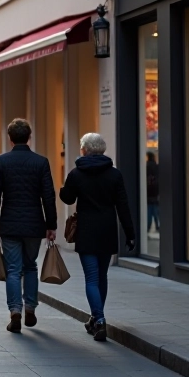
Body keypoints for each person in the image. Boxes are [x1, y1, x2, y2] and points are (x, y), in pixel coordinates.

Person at [60, 133, 136, 342]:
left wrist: (62, 189)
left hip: (86, 230)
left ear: (84, 149)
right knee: (102, 276)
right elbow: (123, 206)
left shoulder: (77, 173)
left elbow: (68, 198)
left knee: (91, 278)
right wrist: (130, 234)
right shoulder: (114, 175)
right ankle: (95, 319)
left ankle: (99, 319)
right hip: (107, 229)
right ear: (102, 149)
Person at [0, 118, 57, 334]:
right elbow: (48, 196)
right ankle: (30, 308)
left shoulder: (1, 162)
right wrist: (51, 225)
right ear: (29, 136)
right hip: (35, 224)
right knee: (31, 266)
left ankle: (15, 311)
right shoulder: (41, 162)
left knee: (13, 270)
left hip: (9, 224)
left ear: (10, 138)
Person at [145, 152, 160, 233]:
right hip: (156, 192)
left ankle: (148, 226)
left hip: (148, 192)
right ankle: (158, 226)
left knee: (149, 211)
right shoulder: (157, 167)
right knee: (156, 210)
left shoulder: (145, 167)